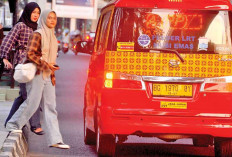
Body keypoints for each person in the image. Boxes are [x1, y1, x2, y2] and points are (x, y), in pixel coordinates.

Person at [6, 9, 70, 149]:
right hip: (37, 74)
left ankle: (55, 139)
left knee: (51, 107)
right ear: (44, 19)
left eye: (54, 18)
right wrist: (46, 64)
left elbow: (50, 58)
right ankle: (13, 124)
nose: (52, 20)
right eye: (49, 18)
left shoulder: (53, 36)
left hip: (48, 75)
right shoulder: (38, 34)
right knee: (32, 103)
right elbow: (30, 54)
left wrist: (52, 69)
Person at [1, 2, 44, 135]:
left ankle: (9, 121)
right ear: (28, 12)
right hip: (23, 65)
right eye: (34, 12)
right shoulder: (20, 26)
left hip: (34, 66)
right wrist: (4, 58)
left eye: (38, 13)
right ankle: (35, 125)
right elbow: (7, 41)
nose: (36, 15)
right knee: (31, 96)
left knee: (23, 96)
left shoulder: (37, 28)